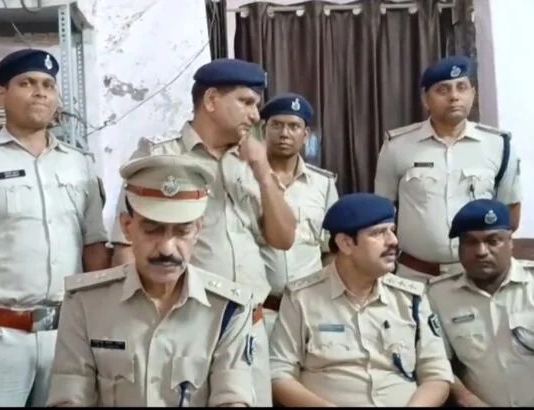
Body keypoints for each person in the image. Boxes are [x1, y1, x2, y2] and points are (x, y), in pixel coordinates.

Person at [107, 58, 298, 406]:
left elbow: (283, 238)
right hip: (185, 323)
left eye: (256, 105)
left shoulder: (252, 161)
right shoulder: (161, 157)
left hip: (248, 324)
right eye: (246, 102)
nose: (255, 115)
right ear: (211, 100)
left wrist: (262, 170)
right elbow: (125, 248)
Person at [0, 48, 109, 407]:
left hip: (67, 337)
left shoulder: (80, 165)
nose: (40, 92)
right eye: (26, 83)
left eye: (48, 85)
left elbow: (94, 252)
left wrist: (103, 334)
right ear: (1, 96)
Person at [47, 154, 255, 407]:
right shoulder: (85, 303)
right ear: (127, 227)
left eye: (182, 231)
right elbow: (70, 397)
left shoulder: (228, 310)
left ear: (198, 230)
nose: (167, 248)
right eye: (152, 229)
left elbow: (232, 398)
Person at [269, 193, 454, 407]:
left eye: (392, 230)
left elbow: (437, 375)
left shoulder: (411, 297)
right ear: (346, 243)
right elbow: (279, 373)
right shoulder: (301, 298)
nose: (393, 241)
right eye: (378, 233)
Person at [374, 55, 522, 283]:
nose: (454, 96)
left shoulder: (498, 145)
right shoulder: (397, 146)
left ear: (473, 94)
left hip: (474, 275)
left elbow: (509, 215)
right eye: (442, 90)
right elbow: (381, 214)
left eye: (461, 88)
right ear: (426, 99)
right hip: (415, 275)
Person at [428, 199, 534, 407]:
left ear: (510, 242)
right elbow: (437, 363)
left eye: (493, 241)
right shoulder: (439, 295)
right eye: (471, 242)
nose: (481, 251)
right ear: (459, 247)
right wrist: (466, 398)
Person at [257, 92, 338, 335]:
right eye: (277, 125)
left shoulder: (323, 185)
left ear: (306, 134)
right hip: (260, 310)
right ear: (263, 129)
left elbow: (332, 249)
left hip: (310, 308)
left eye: (294, 126)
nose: (284, 133)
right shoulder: (244, 179)